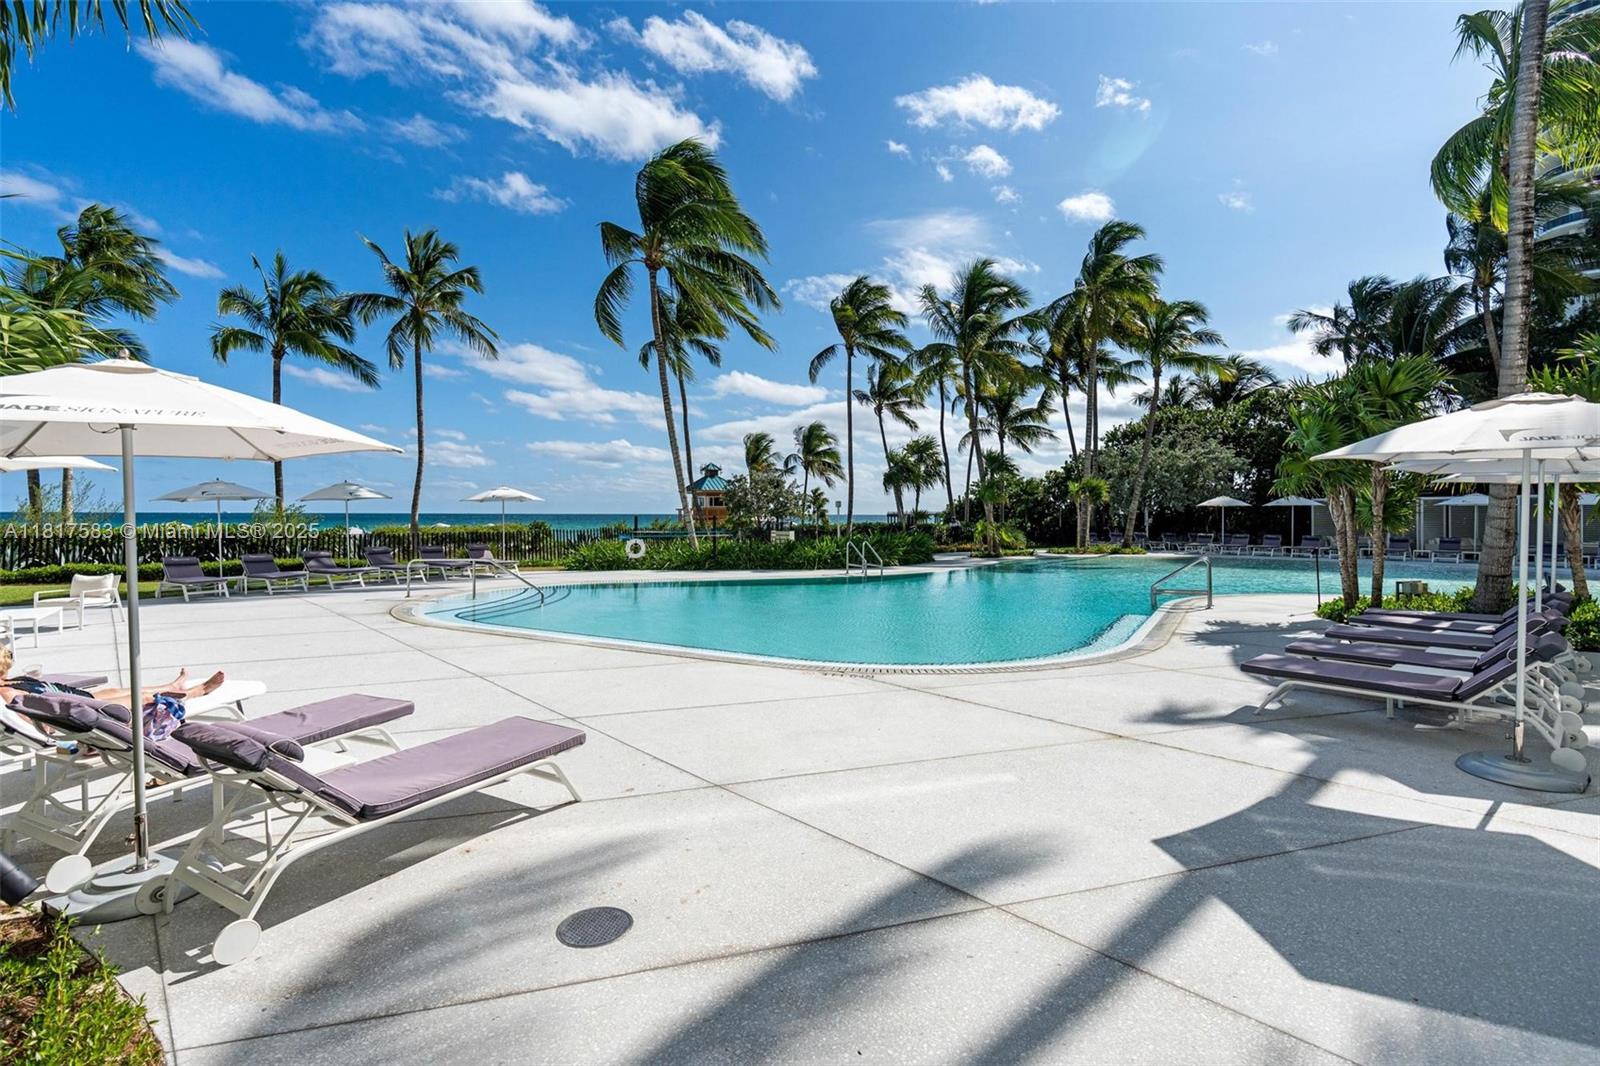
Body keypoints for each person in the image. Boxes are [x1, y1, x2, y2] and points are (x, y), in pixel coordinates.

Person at [0, 645, 225, 709]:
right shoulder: (8, 693)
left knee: (116, 690)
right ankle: (198, 691)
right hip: (78, 711)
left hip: (79, 699)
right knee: (145, 699)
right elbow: (34, 718)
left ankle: (173, 685)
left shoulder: (8, 683)